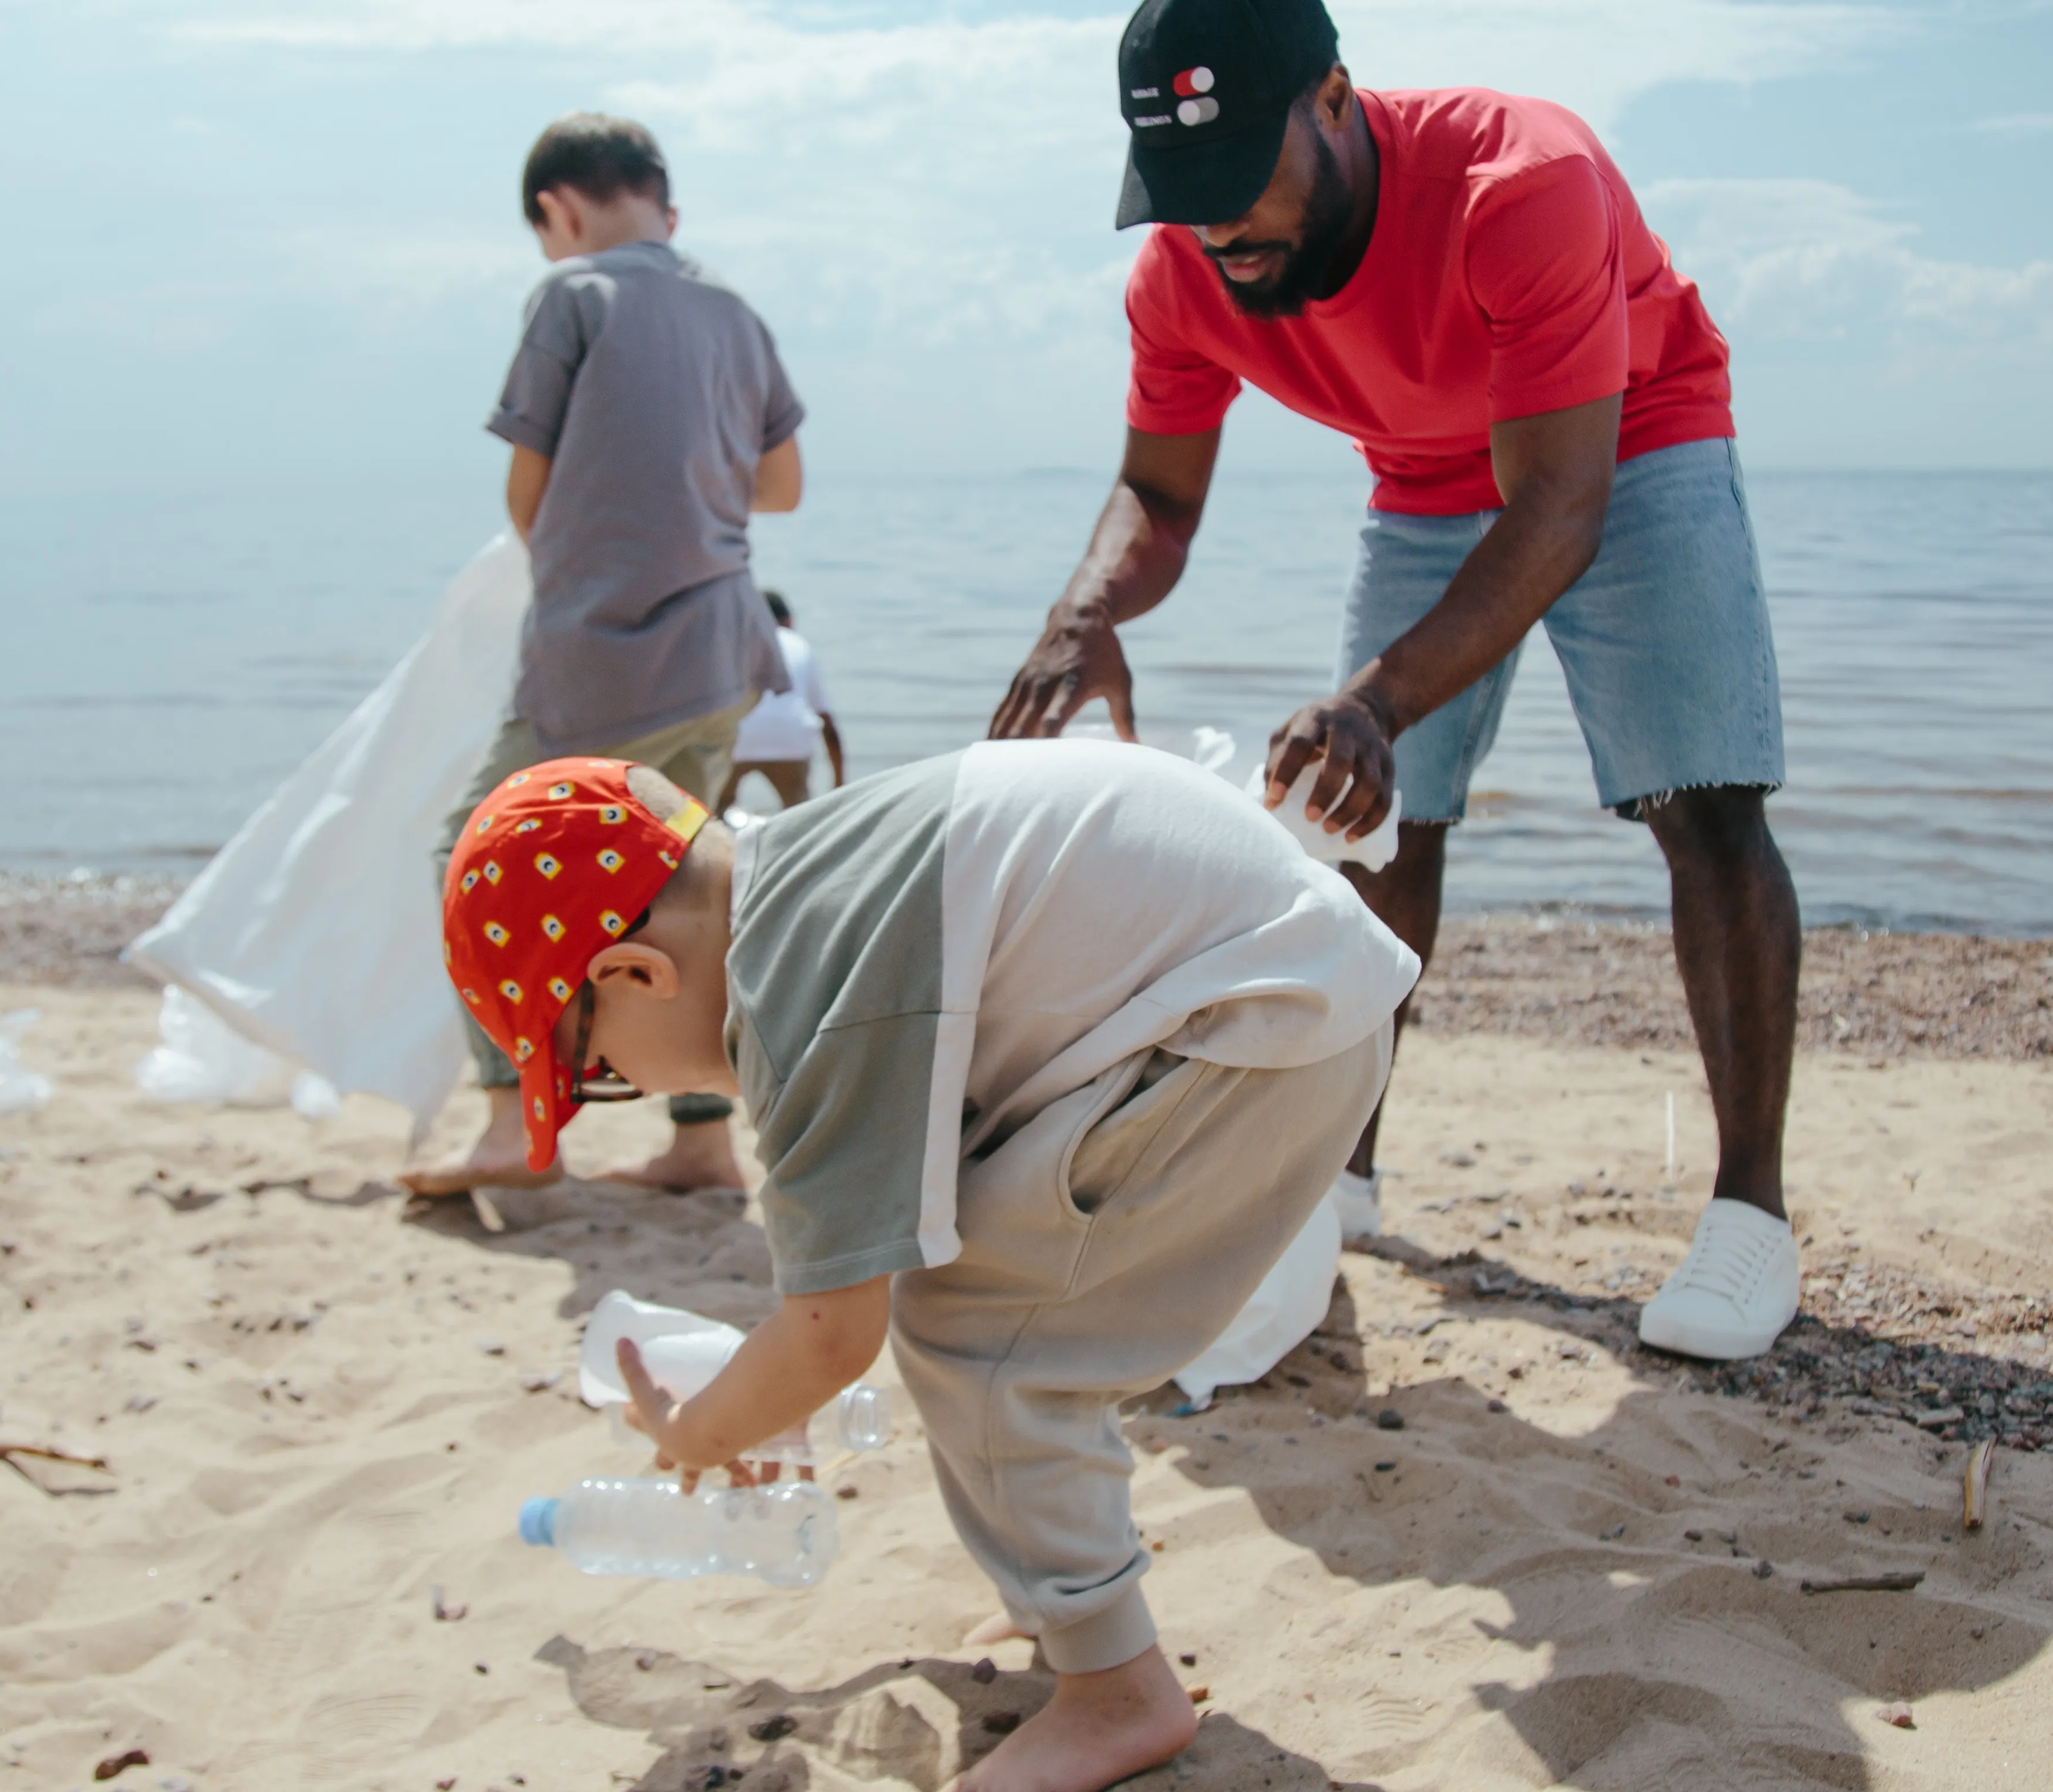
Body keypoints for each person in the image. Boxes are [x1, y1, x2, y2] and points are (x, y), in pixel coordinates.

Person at [990, 0, 1805, 1362]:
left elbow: (1556, 510)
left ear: (1331, 99)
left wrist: (1374, 695)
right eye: (1178, 197)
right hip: (1421, 476)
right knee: (1365, 820)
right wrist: (1085, 609)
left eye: (1238, 177)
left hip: (1626, 437)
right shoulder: (1185, 274)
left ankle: (1748, 1213)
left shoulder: (1520, 183)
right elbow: (1156, 494)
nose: (1215, 228)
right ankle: (1339, 1167)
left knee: (1701, 802)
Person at [439, 745, 1413, 1792]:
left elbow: (831, 1333)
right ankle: (1063, 1597)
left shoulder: (795, 985)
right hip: (1280, 990)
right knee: (982, 1291)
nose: (614, 1083)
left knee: (988, 1337)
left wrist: (702, 1430)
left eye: (596, 1069)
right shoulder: (808, 882)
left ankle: (1116, 1688)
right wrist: (781, 1381)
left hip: (1252, 1026)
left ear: (634, 975)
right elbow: (882, 1238)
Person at [402, 112, 806, 1199]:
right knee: (690, 887)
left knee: (469, 856)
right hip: (720, 649)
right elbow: (782, 486)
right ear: (659, 201)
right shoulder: (731, 308)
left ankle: (505, 1121)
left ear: (558, 208)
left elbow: (527, 496)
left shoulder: (573, 296)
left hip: (604, 655)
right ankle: (705, 1137)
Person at [718, 589, 846, 812]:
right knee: (799, 818)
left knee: (712, 813)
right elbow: (826, 720)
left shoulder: (734, 642)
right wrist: (839, 783)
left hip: (739, 738)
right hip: (791, 740)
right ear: (789, 620)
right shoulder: (799, 643)